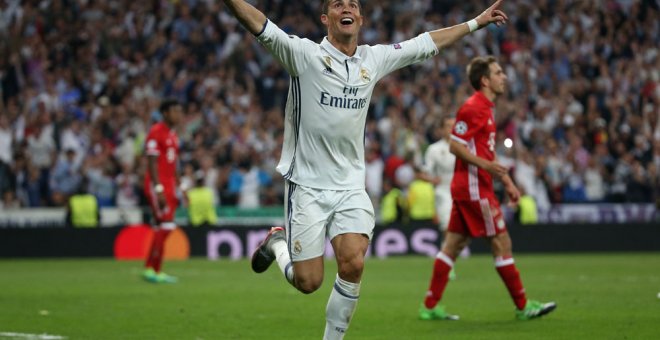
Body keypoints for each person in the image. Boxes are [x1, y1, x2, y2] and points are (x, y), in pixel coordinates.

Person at [221, 0, 510, 338]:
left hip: (349, 185)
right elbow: (259, 23)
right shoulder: (303, 55)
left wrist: (475, 22)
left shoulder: (372, 60)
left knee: (354, 262)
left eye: (353, 4)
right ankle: (277, 244)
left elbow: (426, 43)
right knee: (308, 282)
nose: (347, 8)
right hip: (307, 186)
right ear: (326, 18)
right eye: (338, 4)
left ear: (359, 18)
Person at [419, 56, 557, 321]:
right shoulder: (473, 107)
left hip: (469, 187)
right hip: (473, 190)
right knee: (501, 242)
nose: (503, 76)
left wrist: (507, 181)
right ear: (485, 80)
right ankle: (523, 306)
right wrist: (487, 167)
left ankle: (429, 306)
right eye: (498, 72)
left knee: (452, 246)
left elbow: (485, 152)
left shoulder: (486, 109)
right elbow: (455, 146)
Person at [142, 99, 183, 284]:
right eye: (175, 111)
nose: (178, 115)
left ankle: (151, 269)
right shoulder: (156, 131)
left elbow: (172, 163)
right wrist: (158, 189)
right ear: (165, 113)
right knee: (166, 226)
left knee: (162, 227)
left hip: (169, 186)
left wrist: (179, 185)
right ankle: (153, 269)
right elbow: (151, 161)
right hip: (158, 185)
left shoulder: (173, 134)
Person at [424, 116, 469, 280]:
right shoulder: (434, 149)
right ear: (442, 129)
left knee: (461, 232)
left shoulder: (464, 146)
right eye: (448, 126)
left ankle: (446, 259)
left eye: (453, 126)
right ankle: (447, 265)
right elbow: (426, 172)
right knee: (448, 228)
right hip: (444, 191)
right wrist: (431, 179)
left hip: (462, 190)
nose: (451, 129)